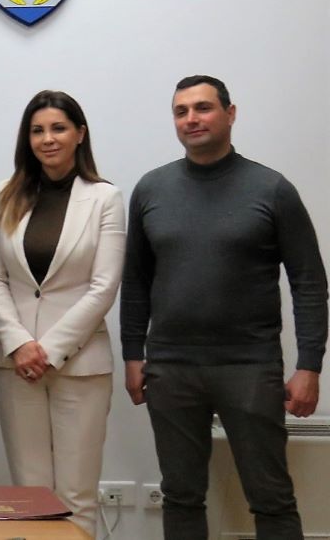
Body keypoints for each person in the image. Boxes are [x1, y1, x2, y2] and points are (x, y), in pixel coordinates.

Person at [122, 75, 328, 540]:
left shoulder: (271, 189)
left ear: (230, 114)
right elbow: (135, 282)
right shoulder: (152, 189)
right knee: (180, 495)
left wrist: (309, 366)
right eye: (181, 111)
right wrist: (133, 354)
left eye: (203, 108)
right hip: (171, 367)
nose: (191, 119)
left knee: (271, 497)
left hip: (249, 366)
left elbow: (309, 283)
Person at [0, 90, 124, 536]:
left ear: (80, 134)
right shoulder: (6, 195)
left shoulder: (105, 198)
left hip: (81, 364)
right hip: (15, 363)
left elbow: (104, 286)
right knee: (30, 495)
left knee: (76, 496)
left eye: (58, 128)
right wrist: (20, 343)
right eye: (38, 130)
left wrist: (50, 350)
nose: (48, 139)